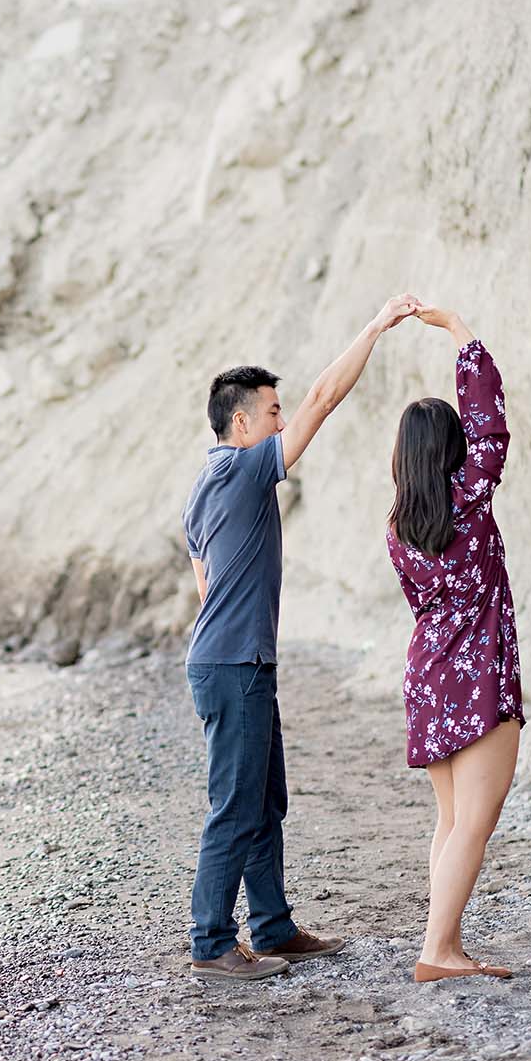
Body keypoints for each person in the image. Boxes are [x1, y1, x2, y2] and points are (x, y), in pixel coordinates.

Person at [179, 293, 422, 982]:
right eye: (273, 413)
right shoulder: (246, 468)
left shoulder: (203, 486)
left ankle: (275, 927)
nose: (284, 421)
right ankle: (211, 944)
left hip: (228, 660)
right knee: (235, 804)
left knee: (263, 799)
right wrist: (373, 327)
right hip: (235, 666)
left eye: (280, 412)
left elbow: (204, 582)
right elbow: (323, 395)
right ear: (242, 422)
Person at [383, 305, 523, 983]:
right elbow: (489, 422)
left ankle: (447, 944)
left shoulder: (398, 525)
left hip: (428, 669)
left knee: (450, 820)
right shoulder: (469, 497)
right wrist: (460, 330)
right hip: (479, 668)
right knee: (478, 819)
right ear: (452, 453)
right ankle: (437, 951)